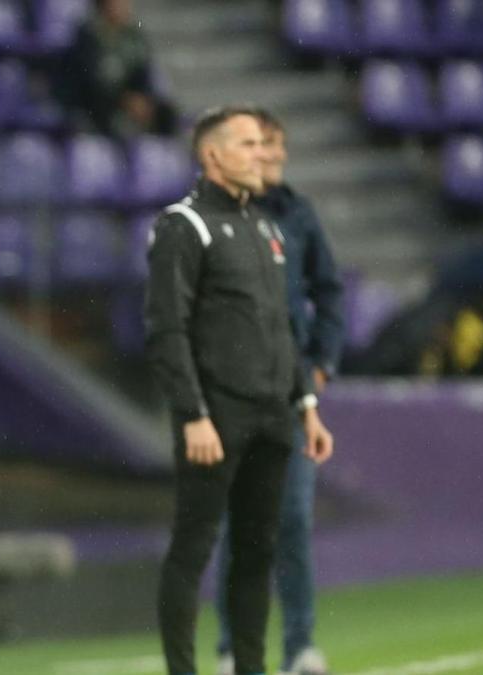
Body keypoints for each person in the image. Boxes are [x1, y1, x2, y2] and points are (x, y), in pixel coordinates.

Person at [145, 106, 334, 675]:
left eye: (263, 144)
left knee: (256, 555)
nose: (263, 155)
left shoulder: (265, 227)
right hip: (217, 418)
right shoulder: (185, 225)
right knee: (193, 550)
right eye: (249, 145)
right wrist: (193, 414)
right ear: (214, 155)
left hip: (273, 417)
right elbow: (166, 329)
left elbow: (281, 326)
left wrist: (306, 406)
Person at [212, 109, 345, 675]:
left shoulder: (298, 214)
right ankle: (232, 648)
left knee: (290, 519)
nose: (274, 159)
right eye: (263, 148)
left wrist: (322, 364)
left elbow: (330, 293)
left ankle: (299, 647)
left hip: (291, 392)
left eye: (278, 150)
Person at [53, 0, 176, 139]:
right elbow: (91, 80)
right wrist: (124, 99)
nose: (124, 7)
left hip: (128, 103)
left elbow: (143, 71)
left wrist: (142, 98)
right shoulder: (87, 36)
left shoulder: (134, 37)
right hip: (97, 105)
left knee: (166, 113)